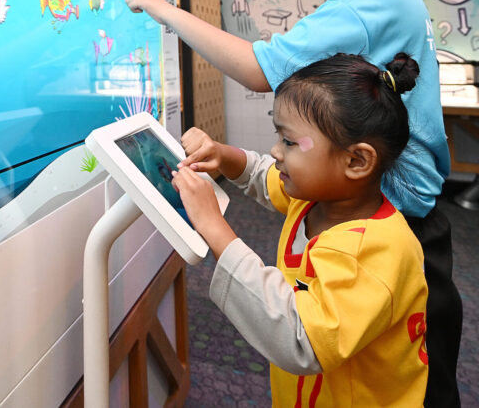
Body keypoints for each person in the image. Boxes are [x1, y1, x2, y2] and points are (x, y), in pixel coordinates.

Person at [122, 0, 461, 406]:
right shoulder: (328, 195)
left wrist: (164, 10)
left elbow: (261, 69)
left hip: (403, 223)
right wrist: (229, 157)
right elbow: (275, 181)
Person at [172, 53, 428, 407]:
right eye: (278, 135)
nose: (275, 151)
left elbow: (302, 338)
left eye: (290, 142)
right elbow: (262, 174)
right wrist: (223, 154)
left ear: (356, 161)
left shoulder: (377, 251)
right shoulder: (313, 197)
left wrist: (214, 227)